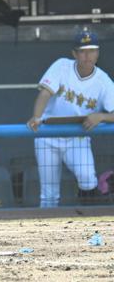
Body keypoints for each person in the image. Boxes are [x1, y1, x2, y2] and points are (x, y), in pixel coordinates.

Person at [27, 29, 114, 208]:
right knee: (49, 193)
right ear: (74, 53)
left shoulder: (103, 81)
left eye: (91, 50)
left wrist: (102, 116)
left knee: (88, 179)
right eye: (82, 51)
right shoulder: (62, 66)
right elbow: (45, 93)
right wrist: (37, 116)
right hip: (48, 136)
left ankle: (90, 224)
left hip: (77, 136)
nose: (87, 55)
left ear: (97, 53)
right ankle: (46, 233)